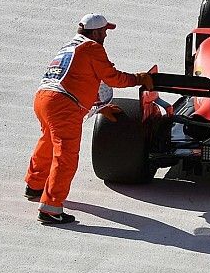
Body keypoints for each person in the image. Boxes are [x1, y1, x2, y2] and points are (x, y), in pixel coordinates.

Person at [24, 13, 154, 225]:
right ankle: (50, 207)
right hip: (63, 104)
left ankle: (34, 184)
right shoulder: (93, 48)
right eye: (103, 31)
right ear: (94, 32)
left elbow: (78, 80)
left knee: (48, 141)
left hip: (43, 98)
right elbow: (112, 78)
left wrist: (99, 108)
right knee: (66, 156)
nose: (105, 34)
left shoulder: (70, 47)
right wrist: (138, 79)